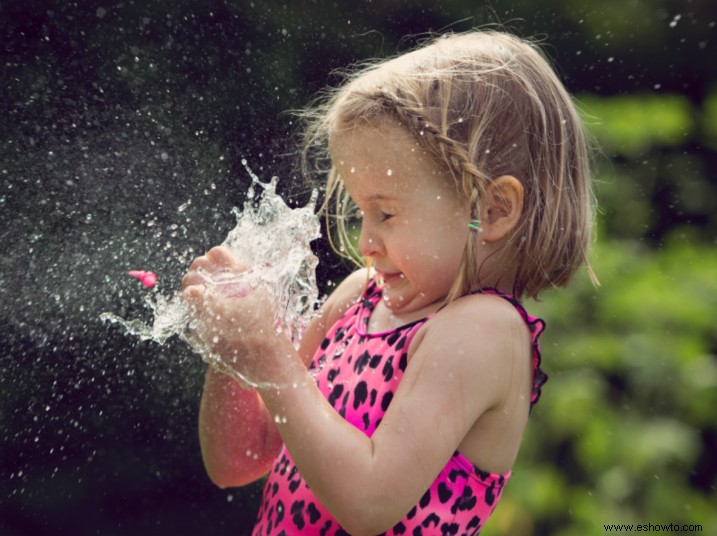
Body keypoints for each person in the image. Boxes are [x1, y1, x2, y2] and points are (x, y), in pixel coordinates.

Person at [182, 30, 596, 535]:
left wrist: (268, 352)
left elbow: (369, 503)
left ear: (491, 210)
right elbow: (240, 460)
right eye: (361, 212)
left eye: (386, 213)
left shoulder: (483, 331)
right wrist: (232, 350)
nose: (367, 241)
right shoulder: (358, 299)